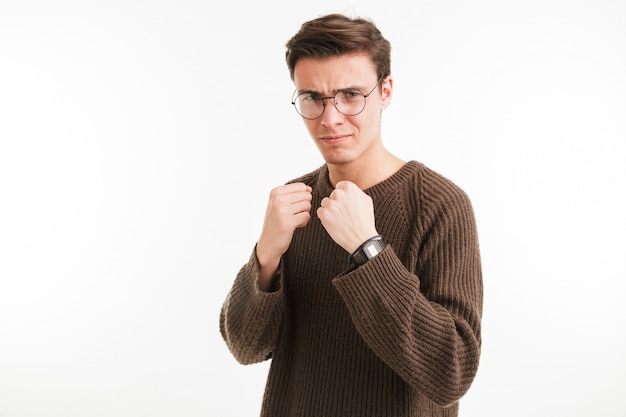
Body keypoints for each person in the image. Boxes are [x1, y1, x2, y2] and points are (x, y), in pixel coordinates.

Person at [219, 13, 483, 417]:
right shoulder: (296, 202)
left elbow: (450, 373)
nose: (330, 118)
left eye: (351, 95)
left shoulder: (440, 204)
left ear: (385, 91)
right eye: (313, 98)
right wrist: (266, 256)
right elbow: (246, 347)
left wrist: (368, 249)